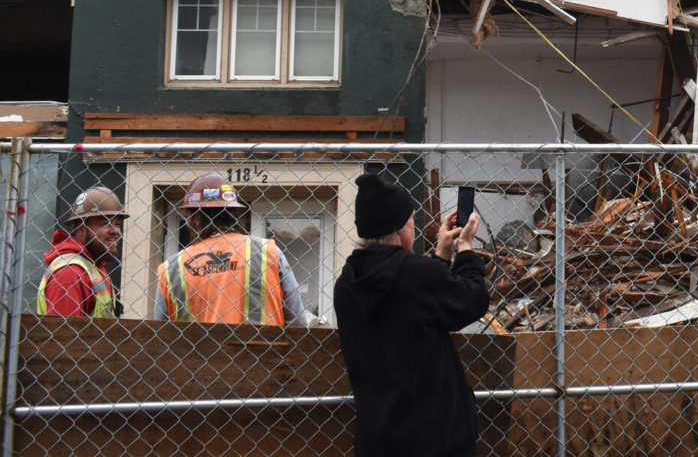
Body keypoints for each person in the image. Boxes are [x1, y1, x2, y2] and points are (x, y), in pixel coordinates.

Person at [334, 173, 487, 457]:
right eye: (412, 220)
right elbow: (472, 301)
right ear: (401, 226)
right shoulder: (415, 273)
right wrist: (466, 251)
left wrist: (440, 256)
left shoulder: (347, 284)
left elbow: (412, 306)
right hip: (435, 438)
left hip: (378, 439)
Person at [154, 173, 307, 326]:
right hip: (262, 342)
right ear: (233, 213)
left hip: (196, 343)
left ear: (197, 218)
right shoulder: (269, 252)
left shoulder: (171, 268)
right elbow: (297, 321)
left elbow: (160, 330)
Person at [36, 186, 128, 318]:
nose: (115, 231)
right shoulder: (70, 274)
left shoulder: (92, 266)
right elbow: (63, 330)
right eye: (104, 223)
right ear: (81, 229)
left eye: (117, 224)